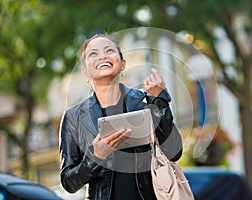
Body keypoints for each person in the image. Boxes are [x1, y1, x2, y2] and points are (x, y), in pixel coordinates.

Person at [59, 33, 183, 200]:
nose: (102, 56)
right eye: (93, 54)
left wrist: (159, 101)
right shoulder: (74, 117)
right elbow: (69, 182)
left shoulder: (144, 102)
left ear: (123, 64)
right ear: (85, 71)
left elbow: (174, 152)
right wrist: (96, 157)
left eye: (109, 50)